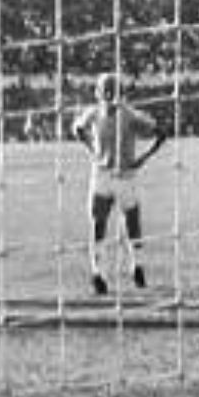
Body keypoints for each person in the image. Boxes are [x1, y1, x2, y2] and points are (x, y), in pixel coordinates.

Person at [72, 72, 165, 296]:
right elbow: (77, 129)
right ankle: (98, 274)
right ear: (98, 93)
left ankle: (137, 266)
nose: (109, 95)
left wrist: (142, 159)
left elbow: (161, 133)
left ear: (121, 93)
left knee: (132, 223)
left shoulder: (130, 116)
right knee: (98, 223)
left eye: (113, 90)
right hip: (102, 175)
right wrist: (92, 149)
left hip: (126, 176)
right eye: (105, 90)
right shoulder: (93, 114)